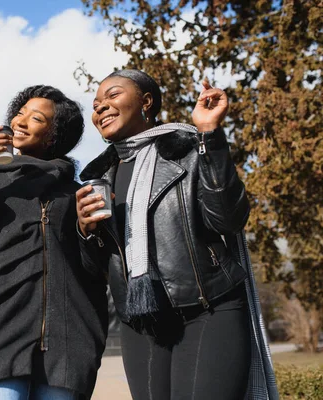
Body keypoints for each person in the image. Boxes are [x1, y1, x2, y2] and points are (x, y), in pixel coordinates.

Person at [76, 69, 255, 399]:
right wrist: (86, 231)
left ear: (146, 102)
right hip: (142, 321)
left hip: (207, 309)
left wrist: (210, 135)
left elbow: (228, 219)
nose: (100, 107)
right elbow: (96, 270)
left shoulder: (187, 150)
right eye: (96, 103)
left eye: (112, 96)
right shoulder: (98, 179)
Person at [0, 85, 108, 400]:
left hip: (69, 343)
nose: (20, 121)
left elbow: (95, 269)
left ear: (53, 135)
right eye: (19, 113)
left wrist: (87, 230)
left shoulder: (75, 194)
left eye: (35, 118)